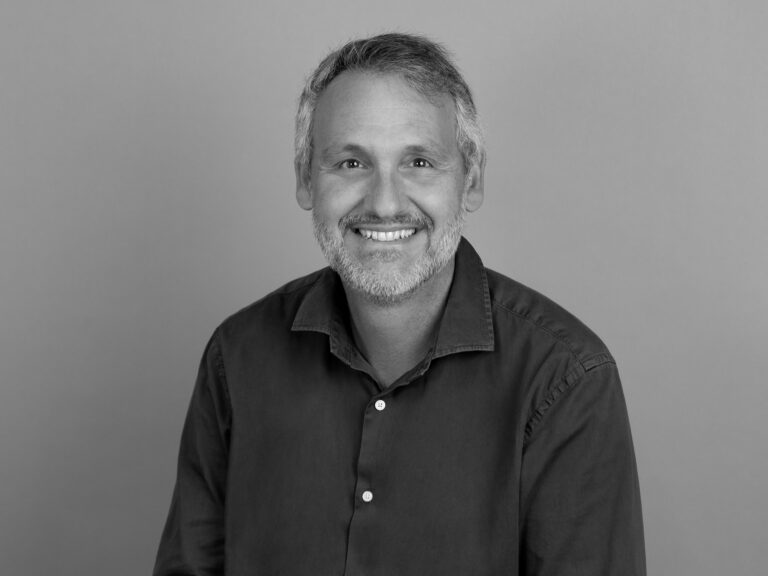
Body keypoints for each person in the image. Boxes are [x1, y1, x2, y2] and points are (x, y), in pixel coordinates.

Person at [153, 33, 646, 576]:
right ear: (305, 179)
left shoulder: (565, 380)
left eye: (418, 162)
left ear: (471, 179)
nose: (385, 203)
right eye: (350, 163)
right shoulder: (237, 357)